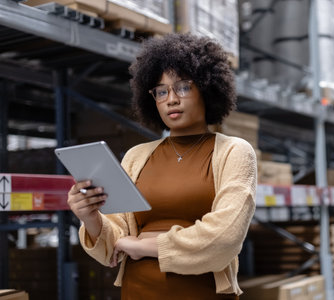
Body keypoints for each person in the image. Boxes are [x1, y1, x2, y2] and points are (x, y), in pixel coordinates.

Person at [66, 33, 257, 299]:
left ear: (206, 87)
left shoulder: (234, 152)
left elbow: (224, 238)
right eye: (161, 91)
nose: (171, 100)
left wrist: (143, 246)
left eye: (182, 87)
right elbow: (113, 246)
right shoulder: (136, 156)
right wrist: (90, 217)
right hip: (138, 291)